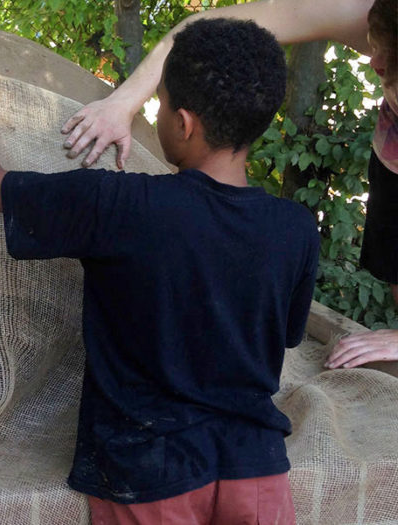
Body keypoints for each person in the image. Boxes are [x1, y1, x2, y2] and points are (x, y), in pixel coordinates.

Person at [0, 17, 318, 525]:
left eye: (161, 103)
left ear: (184, 123)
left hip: (149, 475)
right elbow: (283, 335)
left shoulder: (121, 204)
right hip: (256, 470)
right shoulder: (295, 227)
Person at [59, 0, 398, 370]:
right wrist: (123, 103)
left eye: (392, 69)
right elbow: (204, 31)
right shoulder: (370, 11)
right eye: (374, 42)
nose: (373, 64)